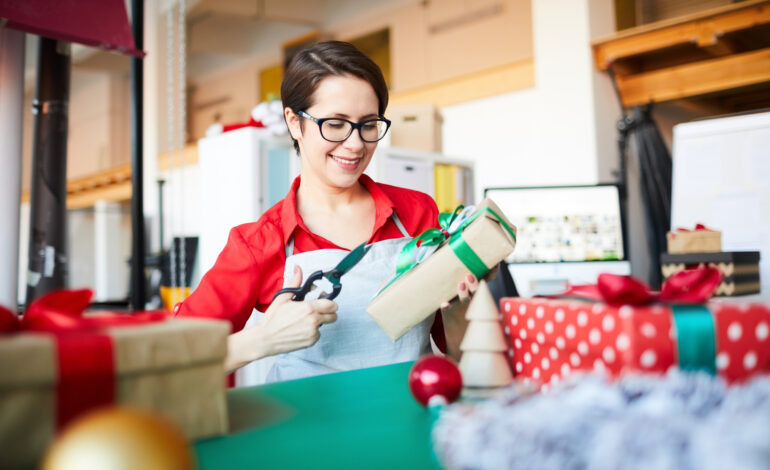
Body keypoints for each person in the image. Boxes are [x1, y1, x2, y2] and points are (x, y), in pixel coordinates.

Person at [176, 41, 475, 383]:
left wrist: (462, 307)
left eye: (368, 124)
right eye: (335, 123)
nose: (356, 144)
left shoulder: (416, 213)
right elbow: (172, 360)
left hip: (410, 411)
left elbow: (457, 349)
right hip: (305, 418)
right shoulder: (259, 244)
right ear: (294, 123)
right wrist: (262, 339)